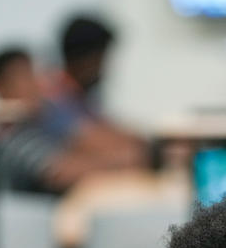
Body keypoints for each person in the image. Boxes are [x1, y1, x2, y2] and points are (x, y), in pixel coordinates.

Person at [0, 44, 134, 194]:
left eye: (35, 75)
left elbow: (87, 136)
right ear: (0, 87)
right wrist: (121, 161)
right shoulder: (8, 134)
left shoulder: (42, 119)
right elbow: (62, 172)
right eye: (24, 77)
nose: (35, 85)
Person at [44, 14, 149, 170]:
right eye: (101, 59)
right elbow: (92, 141)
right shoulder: (54, 98)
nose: (105, 69)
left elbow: (106, 127)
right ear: (86, 61)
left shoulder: (80, 95)